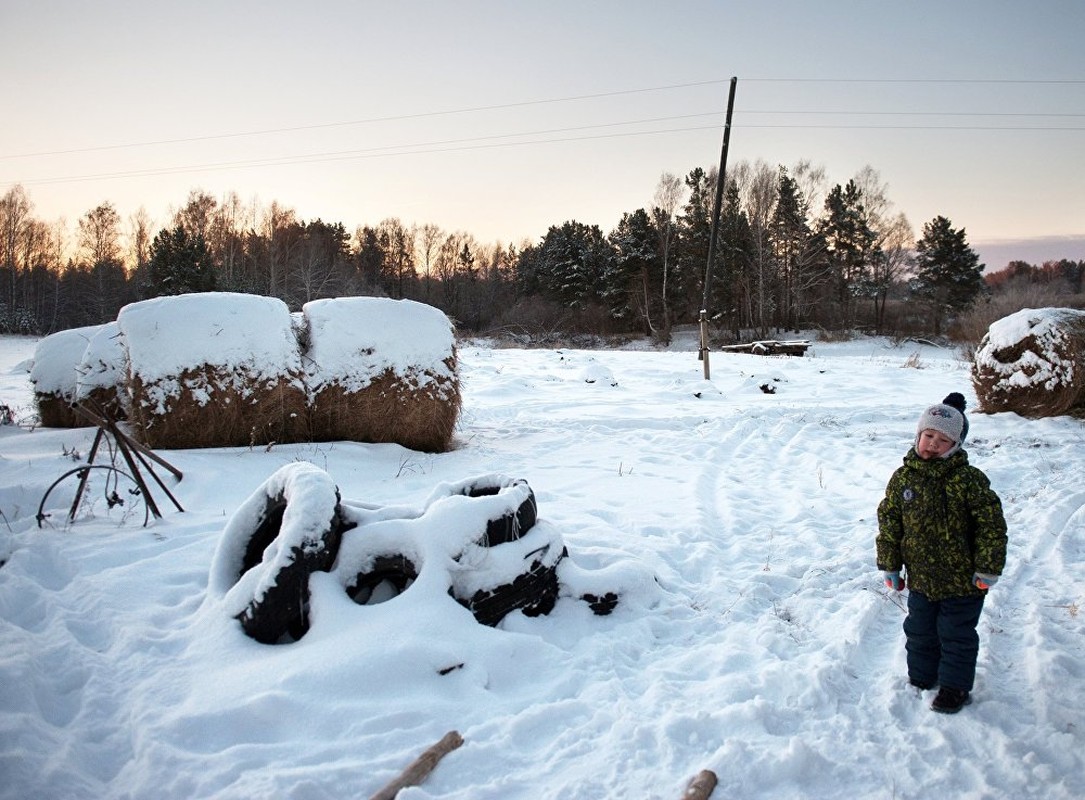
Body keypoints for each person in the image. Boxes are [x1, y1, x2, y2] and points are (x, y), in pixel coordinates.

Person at [876, 392, 1008, 714]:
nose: (933, 444)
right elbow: (890, 522)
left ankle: (954, 687)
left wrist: (988, 567)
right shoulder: (903, 478)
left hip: (963, 583)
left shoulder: (969, 480)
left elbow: (991, 525)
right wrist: (890, 564)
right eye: (929, 435)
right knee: (919, 630)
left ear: (957, 445)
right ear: (918, 435)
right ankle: (922, 677)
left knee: (956, 635)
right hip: (920, 580)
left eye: (943, 439)